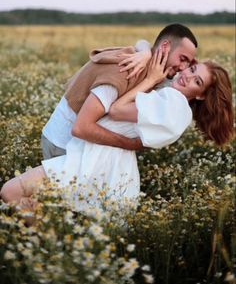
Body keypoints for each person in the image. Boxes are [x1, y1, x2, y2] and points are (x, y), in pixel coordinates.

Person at [1, 52, 233, 211]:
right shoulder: (176, 106)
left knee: (10, 191)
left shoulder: (172, 102)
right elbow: (145, 44)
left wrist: (150, 78)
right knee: (37, 203)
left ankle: (47, 251)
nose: (187, 75)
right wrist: (145, 54)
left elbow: (116, 110)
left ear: (201, 95)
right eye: (192, 68)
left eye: (197, 81)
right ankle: (51, 248)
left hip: (93, 163)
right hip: (105, 164)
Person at [41, 23, 198, 159]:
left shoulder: (157, 72)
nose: (183, 68)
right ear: (164, 47)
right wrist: (129, 145)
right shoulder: (124, 70)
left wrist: (146, 51)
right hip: (61, 145)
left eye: (189, 63)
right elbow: (81, 128)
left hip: (76, 144)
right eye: (182, 59)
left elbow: (145, 44)